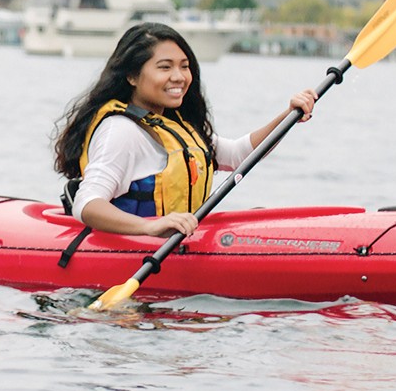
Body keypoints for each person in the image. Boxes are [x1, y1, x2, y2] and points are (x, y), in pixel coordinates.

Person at [54, 22, 317, 239]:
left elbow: (239, 155)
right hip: (133, 251)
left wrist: (289, 116)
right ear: (132, 76)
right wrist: (150, 226)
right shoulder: (121, 131)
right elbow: (87, 204)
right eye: (165, 67)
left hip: (176, 245)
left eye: (184, 65)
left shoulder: (175, 125)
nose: (179, 77)